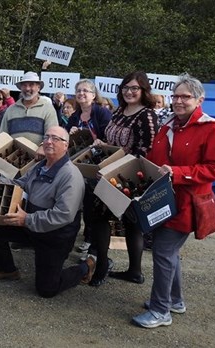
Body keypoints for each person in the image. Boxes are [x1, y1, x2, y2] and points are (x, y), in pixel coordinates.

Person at [132, 74, 215, 328]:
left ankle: (161, 311)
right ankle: (175, 300)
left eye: (185, 96)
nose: (178, 101)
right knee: (169, 253)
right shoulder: (167, 125)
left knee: (163, 252)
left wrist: (179, 172)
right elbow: (153, 157)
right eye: (175, 96)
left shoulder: (211, 128)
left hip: (187, 203)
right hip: (163, 201)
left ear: (199, 100)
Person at [0, 126, 94, 297]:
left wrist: (26, 220)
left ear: (66, 145)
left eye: (55, 139)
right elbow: (21, 183)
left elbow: (63, 215)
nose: (48, 141)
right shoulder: (41, 165)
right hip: (32, 224)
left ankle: (87, 266)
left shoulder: (71, 175)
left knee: (47, 289)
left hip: (56, 235)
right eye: (47, 137)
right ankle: (6, 269)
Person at [90, 71, 158, 286]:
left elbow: (146, 149)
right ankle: (104, 264)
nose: (129, 92)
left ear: (143, 90)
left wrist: (120, 163)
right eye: (126, 88)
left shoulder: (146, 115)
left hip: (128, 177)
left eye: (134, 88)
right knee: (101, 218)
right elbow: (111, 139)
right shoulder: (119, 111)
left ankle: (129, 270)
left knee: (128, 222)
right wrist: (102, 144)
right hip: (109, 172)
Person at [66, 79, 112, 265]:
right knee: (78, 203)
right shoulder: (73, 117)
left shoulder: (102, 113)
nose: (81, 93)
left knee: (94, 207)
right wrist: (71, 134)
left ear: (94, 95)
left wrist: (99, 140)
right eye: (78, 91)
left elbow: (110, 136)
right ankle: (74, 241)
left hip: (99, 165)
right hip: (78, 165)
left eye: (86, 90)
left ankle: (92, 246)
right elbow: (67, 144)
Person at [0, 72, 57, 145]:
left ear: (38, 87)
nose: (27, 88)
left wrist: (42, 147)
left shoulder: (48, 108)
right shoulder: (11, 110)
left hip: (40, 155)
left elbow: (52, 134)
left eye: (31, 85)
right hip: (14, 155)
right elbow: (2, 136)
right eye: (24, 85)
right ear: (20, 88)